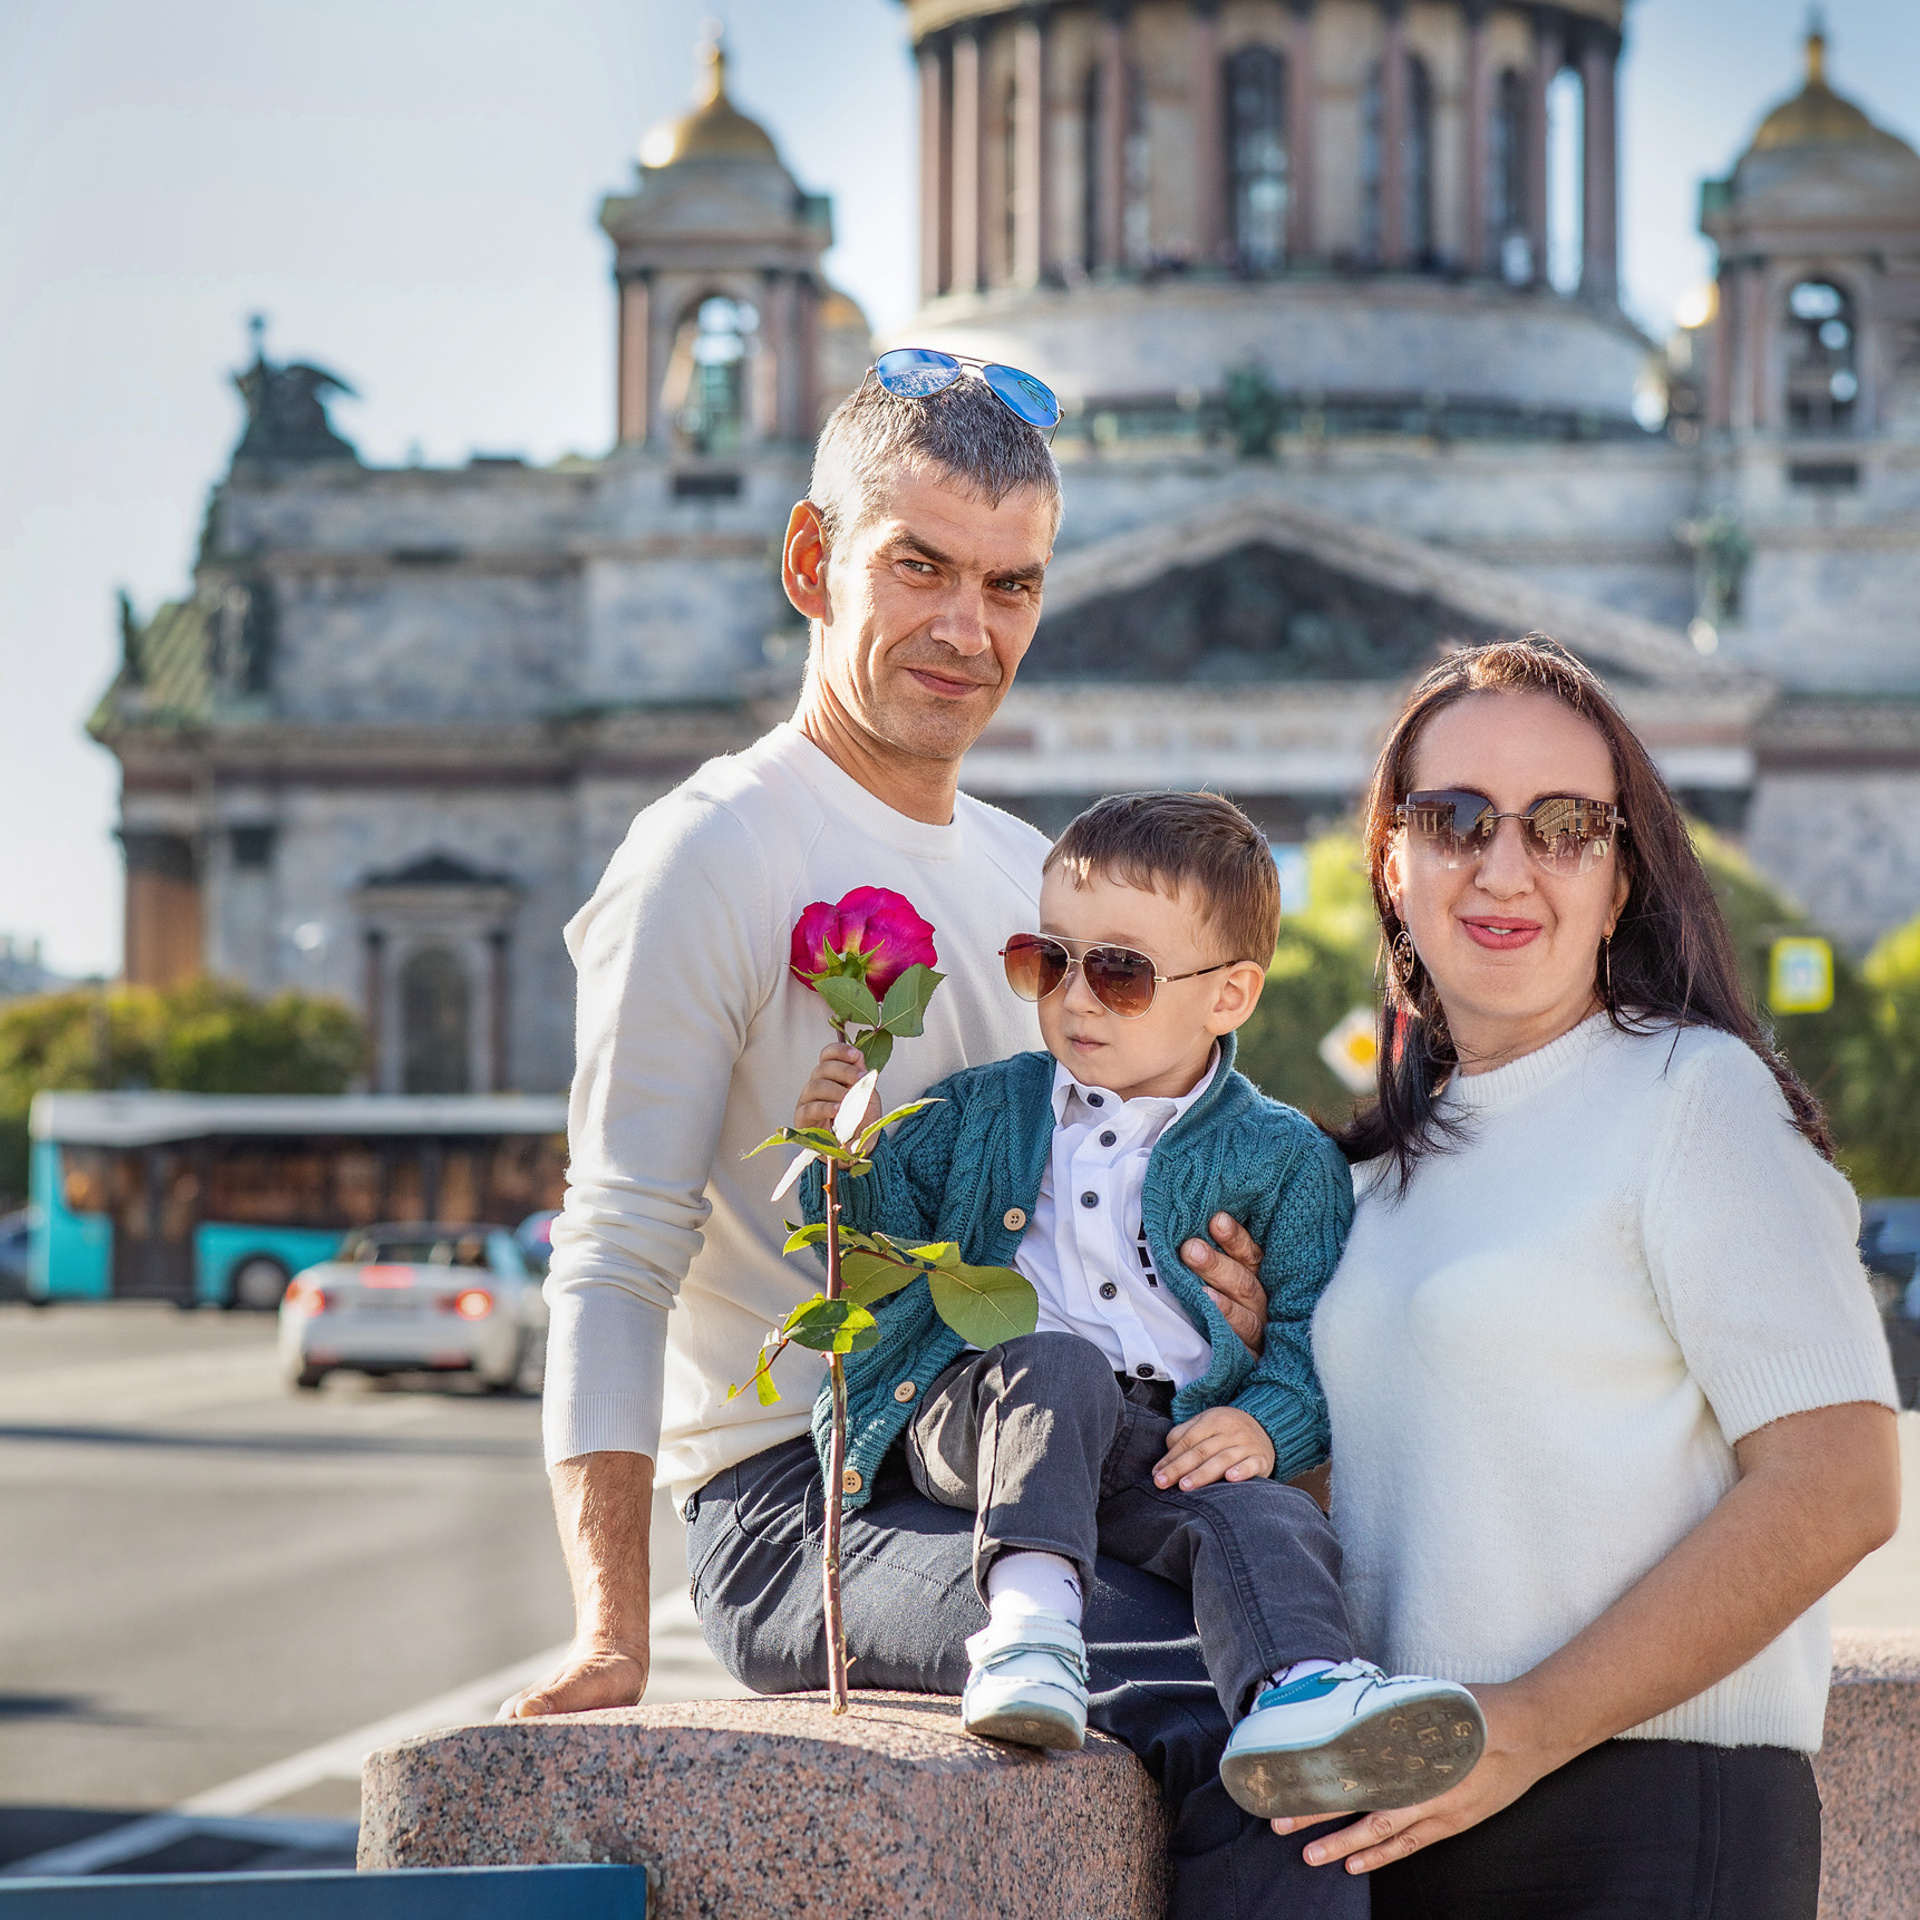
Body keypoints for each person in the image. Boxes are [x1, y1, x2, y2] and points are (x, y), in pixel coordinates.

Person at [503, 366, 1344, 1917]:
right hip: (806, 1494)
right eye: (923, 570)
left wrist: (1217, 1295)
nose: (971, 629)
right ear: (814, 564)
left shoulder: (1040, 876)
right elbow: (616, 1243)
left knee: (1319, 1672)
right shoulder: (711, 848)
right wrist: (615, 1628)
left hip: (1054, 1459)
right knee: (1218, 1703)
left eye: (1010, 584)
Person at [1292, 637, 1901, 1916]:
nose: (1503, 867)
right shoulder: (1366, 1180)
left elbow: (1840, 1479)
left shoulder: (1695, 1097)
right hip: (1415, 1824)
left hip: (1649, 1817)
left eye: (1564, 827)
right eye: (1454, 820)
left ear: (1621, 880)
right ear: (1391, 869)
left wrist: (1523, 1727)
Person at [791, 788, 1486, 1815]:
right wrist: (837, 1155)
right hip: (983, 1410)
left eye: (1119, 972)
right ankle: (1028, 1633)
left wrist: (1264, 1422)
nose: (1073, 998)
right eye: (1048, 959)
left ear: (1230, 996)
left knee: (1255, 1512)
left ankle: (1302, 1692)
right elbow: (864, 1243)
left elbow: (1310, 1336)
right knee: (1057, 1363)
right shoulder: (984, 1106)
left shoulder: (1283, 1159)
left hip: (1152, 1438)